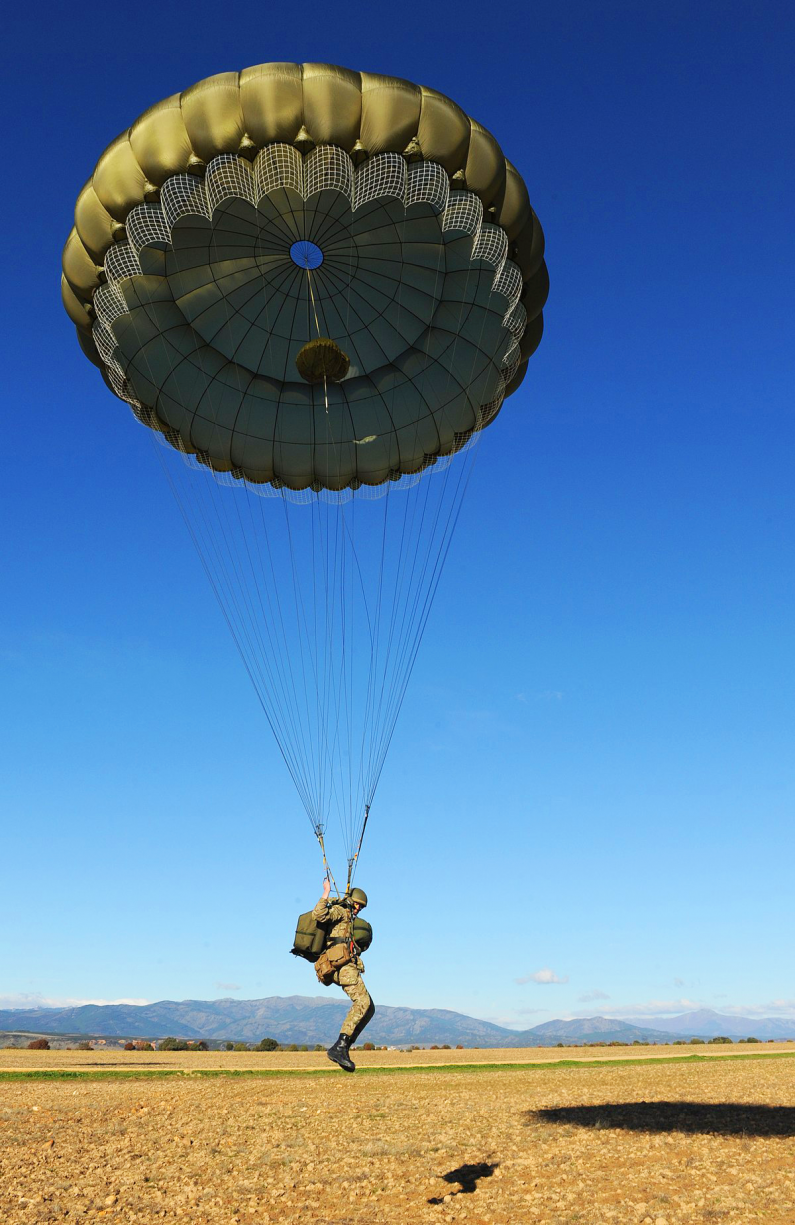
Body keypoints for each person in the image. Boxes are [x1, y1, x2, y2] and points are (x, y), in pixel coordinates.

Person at [312, 878, 374, 1072]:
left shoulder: (348, 915)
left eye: (360, 908)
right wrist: (326, 891)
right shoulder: (342, 911)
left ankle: (343, 1047)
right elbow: (318, 914)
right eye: (357, 905)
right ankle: (339, 1047)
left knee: (369, 1008)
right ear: (351, 901)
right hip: (343, 967)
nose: (358, 909)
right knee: (363, 1003)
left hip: (346, 966)